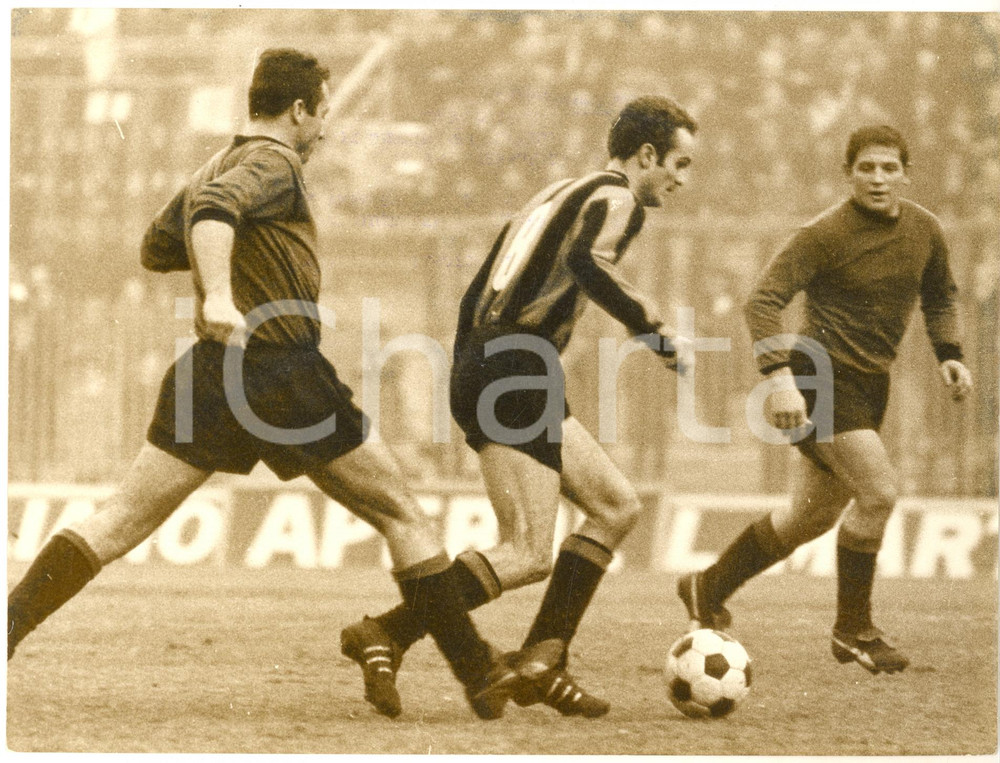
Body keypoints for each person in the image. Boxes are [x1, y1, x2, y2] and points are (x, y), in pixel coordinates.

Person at [6, 48, 562, 720]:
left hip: (212, 371)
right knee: (401, 513)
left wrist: (228, 258)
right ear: (298, 110)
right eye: (323, 112)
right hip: (280, 368)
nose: (325, 127)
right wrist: (220, 292)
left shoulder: (221, 159)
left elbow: (158, 245)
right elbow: (215, 209)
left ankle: (6, 628)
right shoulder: (274, 162)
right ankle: (477, 670)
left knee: (119, 520)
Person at [340, 96, 698, 718]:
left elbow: (479, 287)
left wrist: (474, 363)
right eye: (680, 163)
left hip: (497, 360)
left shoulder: (555, 193)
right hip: (516, 365)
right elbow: (588, 262)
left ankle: (542, 658)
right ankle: (387, 632)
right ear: (647, 155)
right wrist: (654, 329)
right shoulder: (619, 199)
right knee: (528, 551)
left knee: (615, 505)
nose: (682, 179)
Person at [677, 124, 973, 675]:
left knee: (807, 519)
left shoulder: (925, 230)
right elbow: (762, 301)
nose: (878, 178)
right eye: (867, 168)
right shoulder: (823, 234)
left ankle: (707, 586)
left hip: (869, 384)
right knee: (879, 493)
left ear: (906, 174)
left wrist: (949, 353)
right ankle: (853, 630)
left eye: (889, 168)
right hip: (818, 379)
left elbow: (940, 296)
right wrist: (780, 379)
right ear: (848, 174)